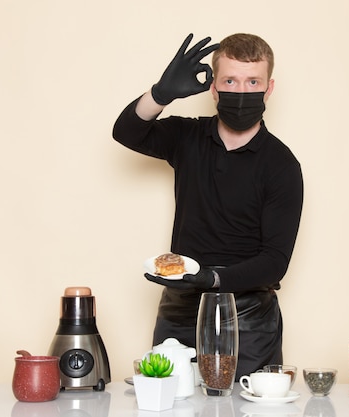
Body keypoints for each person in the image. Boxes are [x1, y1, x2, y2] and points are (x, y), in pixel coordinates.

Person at [112, 33, 303, 379]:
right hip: (180, 309)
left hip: (248, 318)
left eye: (252, 82)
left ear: (269, 88)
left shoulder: (282, 165)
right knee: (168, 402)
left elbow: (275, 262)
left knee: (244, 409)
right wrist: (160, 94)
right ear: (213, 88)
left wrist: (213, 279)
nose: (241, 91)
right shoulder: (187, 138)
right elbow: (126, 132)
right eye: (230, 80)